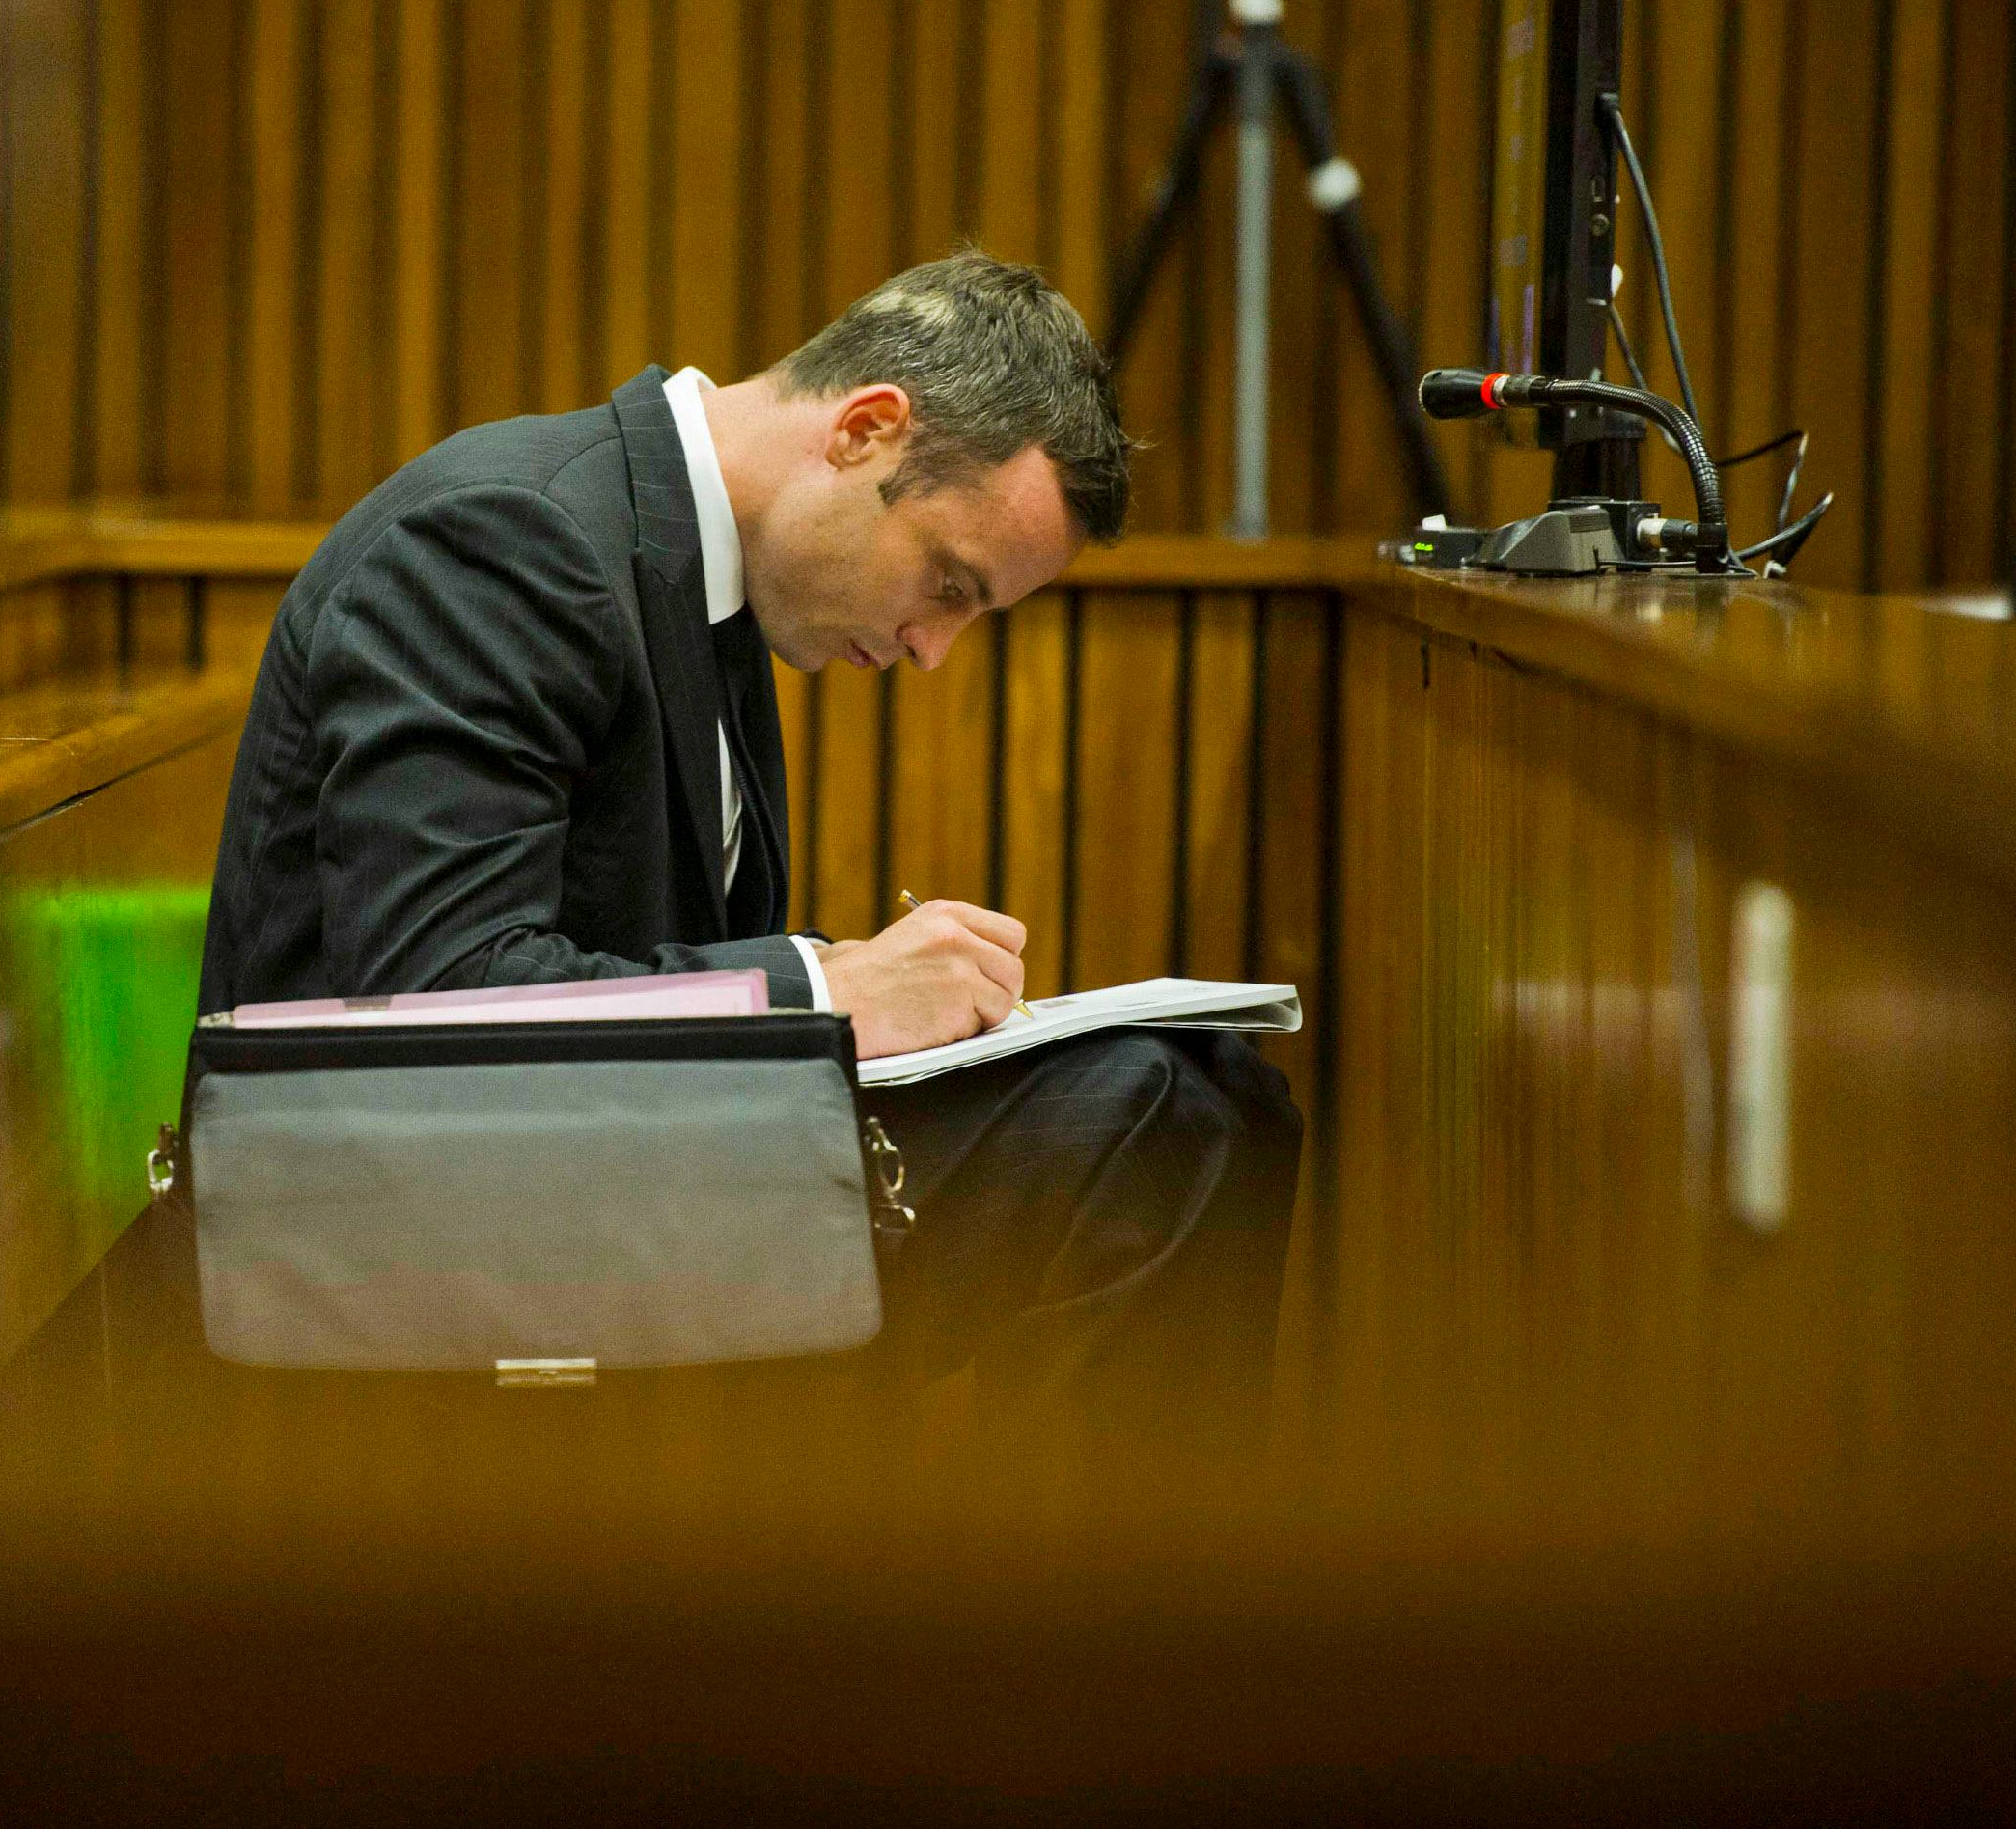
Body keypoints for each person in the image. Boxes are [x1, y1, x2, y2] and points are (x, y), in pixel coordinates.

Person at [196, 248, 1299, 1446]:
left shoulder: (699, 574)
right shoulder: (509, 538)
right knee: (1153, 1123)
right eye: (947, 584)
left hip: (584, 1176)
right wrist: (826, 991)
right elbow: (438, 999)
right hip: (402, 1245)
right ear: (866, 431)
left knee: (1217, 1088)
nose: (932, 651)